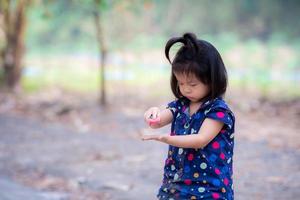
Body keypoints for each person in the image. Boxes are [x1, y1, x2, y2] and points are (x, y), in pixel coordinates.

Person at [142, 32, 235, 200]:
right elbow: (157, 122)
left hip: (209, 187)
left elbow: (200, 139)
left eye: (192, 84)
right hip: (176, 183)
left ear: (212, 79)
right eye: (181, 83)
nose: (186, 89)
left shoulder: (217, 110)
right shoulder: (180, 105)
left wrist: (166, 139)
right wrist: (152, 113)